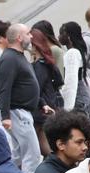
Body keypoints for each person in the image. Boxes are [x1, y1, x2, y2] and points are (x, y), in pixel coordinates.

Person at [0, 24, 41, 173]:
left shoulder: (19, 56)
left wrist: (41, 103)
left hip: (22, 112)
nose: (31, 36)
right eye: (28, 33)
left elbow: (26, 83)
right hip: (18, 114)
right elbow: (4, 88)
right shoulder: (9, 58)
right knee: (32, 155)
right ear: (19, 37)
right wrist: (5, 116)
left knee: (17, 156)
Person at [30, 28, 63, 156]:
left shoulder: (39, 65)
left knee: (41, 140)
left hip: (43, 107)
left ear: (34, 45)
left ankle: (57, 163)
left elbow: (35, 88)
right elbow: (59, 82)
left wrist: (42, 103)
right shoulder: (46, 62)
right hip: (50, 103)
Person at [59, 22, 90, 113]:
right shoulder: (78, 51)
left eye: (61, 33)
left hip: (76, 97)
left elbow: (71, 81)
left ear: (67, 35)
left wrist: (68, 108)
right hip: (81, 95)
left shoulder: (72, 53)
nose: (58, 37)